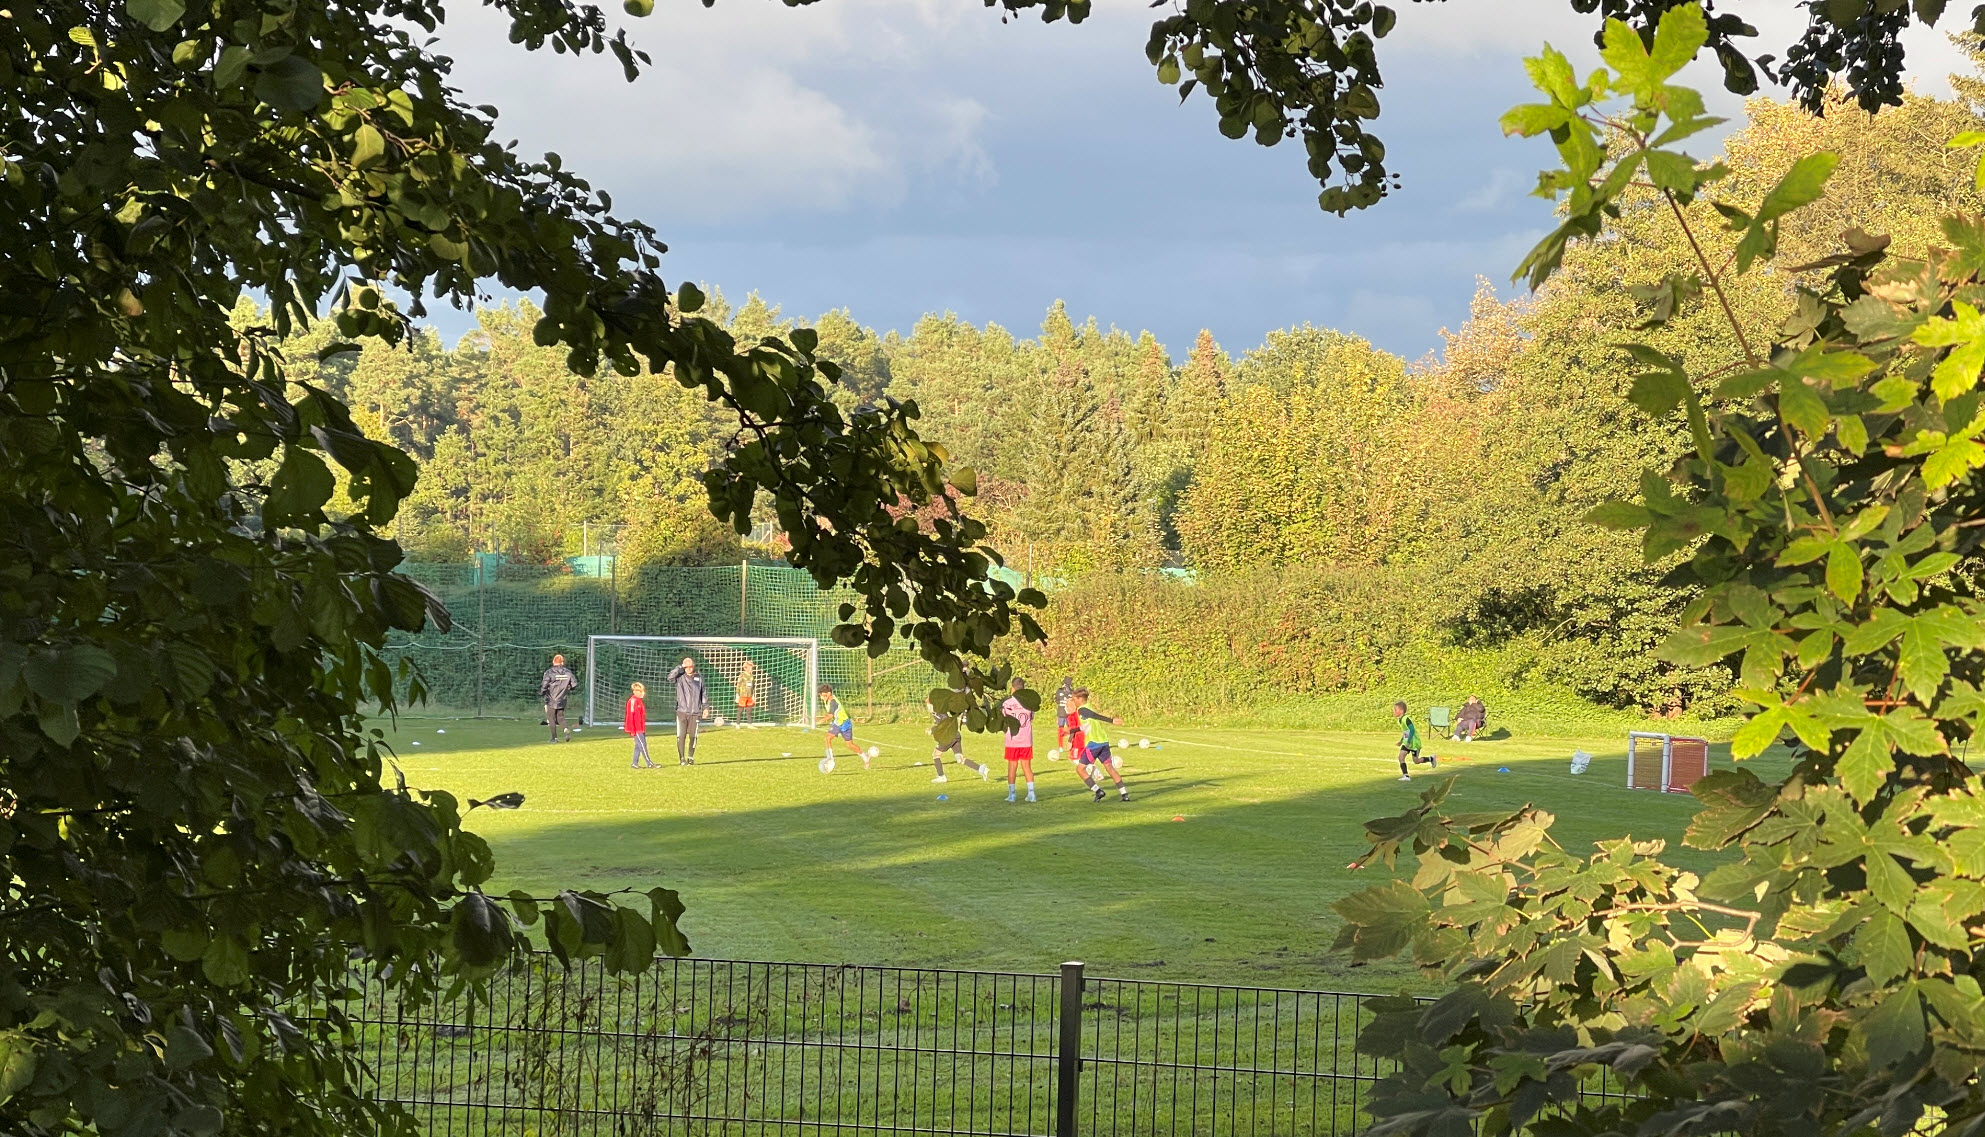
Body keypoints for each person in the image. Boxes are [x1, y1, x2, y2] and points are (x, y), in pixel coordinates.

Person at [1068, 688, 1129, 802]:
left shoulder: (1082, 710)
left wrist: (1111, 720)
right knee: (1110, 768)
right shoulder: (1088, 706)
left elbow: (1093, 715)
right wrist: (1073, 730)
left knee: (1080, 769)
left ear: (1080, 699)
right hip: (1104, 742)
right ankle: (1124, 794)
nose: (1073, 701)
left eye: (1074, 699)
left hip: (1094, 744)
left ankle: (1098, 791)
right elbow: (1087, 724)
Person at [929, 691, 990, 784]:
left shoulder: (939, 712)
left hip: (949, 736)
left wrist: (932, 730)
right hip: (956, 736)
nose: (927, 706)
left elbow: (945, 724)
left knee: (936, 755)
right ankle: (981, 769)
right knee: (960, 759)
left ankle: (941, 777)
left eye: (928, 703)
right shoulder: (936, 712)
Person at [668, 657, 709, 766]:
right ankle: (682, 758)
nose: (688, 669)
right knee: (681, 736)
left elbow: (703, 693)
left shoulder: (699, 678)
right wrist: (680, 667)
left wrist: (705, 707)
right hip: (682, 711)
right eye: (686, 667)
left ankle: (690, 757)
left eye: (690, 666)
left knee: (693, 736)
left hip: (695, 712)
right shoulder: (680, 677)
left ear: (693, 666)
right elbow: (670, 677)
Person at [1001, 677, 1037, 803]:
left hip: (1012, 740)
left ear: (1012, 688)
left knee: (1012, 766)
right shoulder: (1029, 703)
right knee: (1027, 767)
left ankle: (1012, 794)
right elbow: (1031, 718)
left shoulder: (1007, 703)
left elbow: (1004, 719)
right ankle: (1031, 793)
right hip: (1026, 740)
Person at [818, 683, 865, 770]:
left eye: (822, 694)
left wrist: (820, 721)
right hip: (838, 722)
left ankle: (865, 757)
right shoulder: (827, 700)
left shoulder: (833, 702)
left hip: (844, 723)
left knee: (849, 745)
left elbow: (830, 715)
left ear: (828, 693)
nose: (821, 697)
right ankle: (831, 758)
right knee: (828, 738)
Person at [539, 654, 578, 743]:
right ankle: (565, 729)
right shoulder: (568, 672)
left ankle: (554, 738)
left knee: (551, 718)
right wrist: (569, 687)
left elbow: (544, 685)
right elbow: (574, 684)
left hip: (551, 699)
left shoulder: (549, 672)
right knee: (560, 717)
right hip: (562, 699)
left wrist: (542, 693)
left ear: (553, 662)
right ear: (563, 662)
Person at [1394, 701, 1435, 781]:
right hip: (1407, 742)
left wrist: (1409, 742)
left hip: (1414, 743)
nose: (1394, 711)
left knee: (1416, 761)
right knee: (1401, 757)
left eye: (1396, 710)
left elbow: (1412, 730)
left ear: (1401, 711)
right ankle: (1406, 776)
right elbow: (1406, 731)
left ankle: (1431, 759)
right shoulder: (1400, 720)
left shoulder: (1406, 719)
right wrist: (1401, 741)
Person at [625, 682, 657, 768]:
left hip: (640, 728)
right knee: (643, 745)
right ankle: (649, 763)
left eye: (643, 691)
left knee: (638, 746)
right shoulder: (633, 701)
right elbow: (630, 716)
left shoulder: (639, 701)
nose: (643, 693)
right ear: (635, 691)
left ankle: (634, 763)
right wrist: (632, 730)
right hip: (636, 729)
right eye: (641, 691)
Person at [1053, 675, 1076, 756]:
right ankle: (1070, 745)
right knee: (1070, 729)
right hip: (1069, 713)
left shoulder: (1059, 691)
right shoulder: (1072, 691)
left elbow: (1056, 700)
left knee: (1061, 728)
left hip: (1062, 712)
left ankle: (1061, 746)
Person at [735, 660, 758, 726]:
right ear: (745, 668)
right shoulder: (742, 675)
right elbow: (738, 685)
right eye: (749, 667)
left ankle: (750, 724)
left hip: (749, 695)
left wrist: (753, 695)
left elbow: (753, 686)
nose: (751, 669)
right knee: (740, 710)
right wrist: (737, 695)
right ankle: (738, 724)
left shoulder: (751, 676)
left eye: (751, 668)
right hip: (742, 695)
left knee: (749, 711)